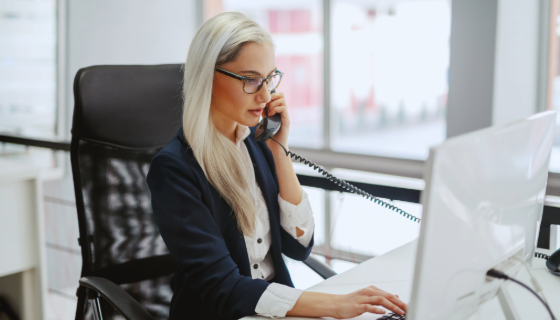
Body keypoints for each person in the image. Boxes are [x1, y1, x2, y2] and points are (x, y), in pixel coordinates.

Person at [146, 12, 407, 320]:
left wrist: (279, 150)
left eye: (269, 79)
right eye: (251, 80)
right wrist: (334, 305)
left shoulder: (256, 144)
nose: (266, 95)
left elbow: (299, 246)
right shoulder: (174, 170)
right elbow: (224, 289)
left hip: (275, 310)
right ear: (208, 77)